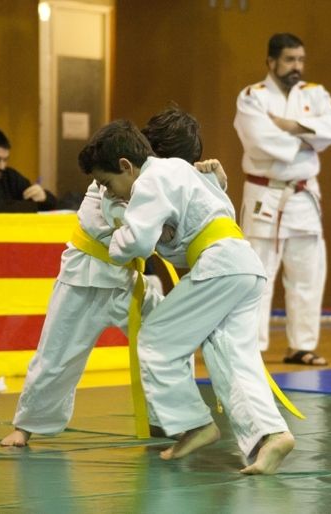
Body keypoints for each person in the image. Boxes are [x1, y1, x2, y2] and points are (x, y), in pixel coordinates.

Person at [0, 107, 220, 448]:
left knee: (169, 338)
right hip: (84, 279)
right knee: (58, 354)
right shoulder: (110, 181)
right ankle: (27, 425)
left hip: (126, 282)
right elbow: (144, 237)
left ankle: (171, 419)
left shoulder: (155, 179)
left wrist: (212, 181)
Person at [87, 119, 294, 475]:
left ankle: (194, 423)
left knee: (155, 339)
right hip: (243, 264)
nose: (110, 193)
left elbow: (136, 242)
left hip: (219, 266)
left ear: (126, 165)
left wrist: (115, 240)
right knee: (229, 353)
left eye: (108, 184)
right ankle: (272, 435)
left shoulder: (152, 178)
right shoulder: (186, 174)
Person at [233, 32, 331, 367]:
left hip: (303, 196)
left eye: (300, 59)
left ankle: (301, 346)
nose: (297, 66)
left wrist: (290, 124)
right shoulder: (253, 97)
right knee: (257, 275)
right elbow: (259, 141)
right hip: (265, 193)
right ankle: (251, 347)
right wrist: (308, 139)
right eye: (290, 59)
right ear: (271, 61)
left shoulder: (315, 93)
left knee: (308, 275)